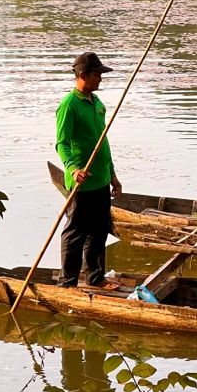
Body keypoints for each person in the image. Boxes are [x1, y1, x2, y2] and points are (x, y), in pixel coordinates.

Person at [55, 52, 122, 288]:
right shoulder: (69, 106)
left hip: (101, 179)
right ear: (83, 75)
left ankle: (95, 278)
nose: (100, 79)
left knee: (100, 229)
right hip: (81, 182)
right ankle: (68, 282)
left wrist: (113, 175)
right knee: (75, 233)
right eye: (97, 75)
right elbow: (61, 143)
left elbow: (103, 143)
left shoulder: (98, 104)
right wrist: (73, 169)